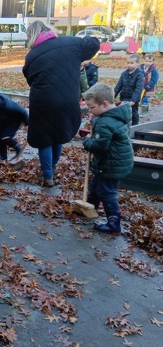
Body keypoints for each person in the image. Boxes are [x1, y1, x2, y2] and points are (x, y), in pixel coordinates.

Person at [22, 21, 100, 187]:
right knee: (59, 133)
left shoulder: (32, 55)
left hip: (42, 101)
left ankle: (48, 176)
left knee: (44, 138)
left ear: (31, 36)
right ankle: (54, 165)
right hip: (68, 99)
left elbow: (29, 77)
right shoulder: (70, 43)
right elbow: (94, 43)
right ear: (49, 30)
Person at [82, 83, 133, 234]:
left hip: (112, 163)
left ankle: (114, 224)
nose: (90, 110)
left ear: (104, 104)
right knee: (95, 185)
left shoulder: (105, 122)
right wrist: (95, 118)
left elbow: (99, 145)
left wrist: (86, 141)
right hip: (113, 160)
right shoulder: (114, 114)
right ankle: (90, 209)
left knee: (106, 192)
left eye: (91, 108)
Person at [114, 54, 144, 126]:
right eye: (128, 63)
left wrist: (133, 100)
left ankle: (135, 125)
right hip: (124, 96)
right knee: (123, 112)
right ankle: (124, 126)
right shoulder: (124, 73)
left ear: (137, 64)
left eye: (131, 63)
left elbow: (138, 88)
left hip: (133, 98)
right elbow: (118, 86)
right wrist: (113, 96)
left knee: (134, 113)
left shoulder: (139, 74)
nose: (129, 65)